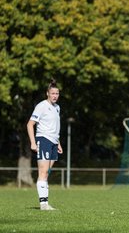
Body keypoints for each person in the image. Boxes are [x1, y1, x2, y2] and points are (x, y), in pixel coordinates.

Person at [26, 79, 63, 210]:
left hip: (53, 142)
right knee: (43, 171)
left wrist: (58, 143)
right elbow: (30, 124)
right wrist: (33, 142)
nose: (55, 96)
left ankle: (46, 203)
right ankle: (43, 204)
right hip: (43, 139)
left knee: (47, 173)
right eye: (52, 93)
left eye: (57, 93)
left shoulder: (57, 108)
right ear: (47, 93)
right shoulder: (41, 106)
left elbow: (54, 126)